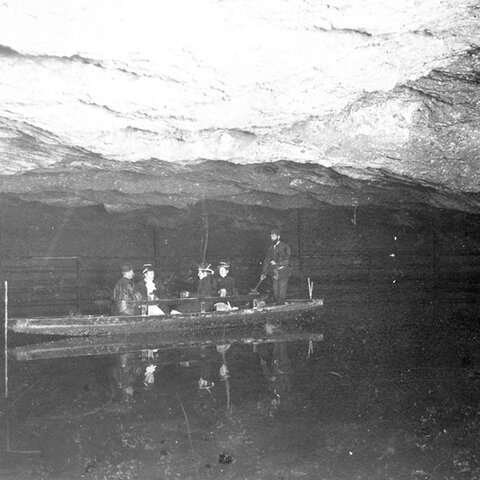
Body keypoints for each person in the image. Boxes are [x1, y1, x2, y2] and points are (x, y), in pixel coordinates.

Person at [260, 229, 291, 305]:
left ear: (278, 236)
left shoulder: (285, 247)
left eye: (273, 236)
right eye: (271, 237)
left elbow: (287, 261)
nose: (272, 238)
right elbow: (267, 261)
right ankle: (279, 305)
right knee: (276, 291)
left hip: (283, 272)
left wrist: (276, 264)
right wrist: (263, 273)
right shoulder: (270, 248)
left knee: (282, 292)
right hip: (274, 272)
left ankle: (280, 305)